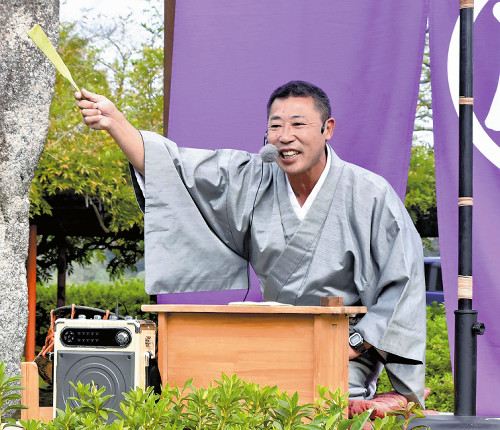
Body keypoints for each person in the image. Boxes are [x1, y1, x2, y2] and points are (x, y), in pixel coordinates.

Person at [75, 81, 426, 405]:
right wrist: (115, 122)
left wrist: (353, 344)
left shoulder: (370, 194)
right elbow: (175, 168)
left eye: (298, 124)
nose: (285, 136)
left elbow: (403, 284)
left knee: (329, 398)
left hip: (339, 351)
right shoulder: (252, 178)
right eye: (276, 126)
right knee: (211, 393)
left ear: (327, 129)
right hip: (269, 339)